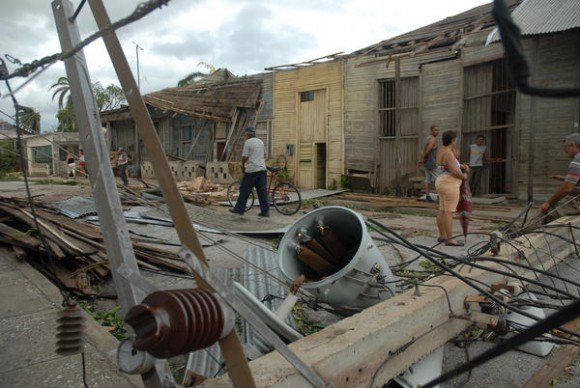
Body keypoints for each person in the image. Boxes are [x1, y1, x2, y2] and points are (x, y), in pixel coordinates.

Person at [435, 130, 468, 246]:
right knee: (449, 211)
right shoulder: (448, 153)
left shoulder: (441, 150)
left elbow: (448, 166)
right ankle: (450, 239)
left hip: (441, 181)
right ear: (453, 140)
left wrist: (460, 166)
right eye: (456, 140)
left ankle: (442, 235)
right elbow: (454, 171)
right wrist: (463, 175)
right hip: (449, 183)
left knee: (442, 209)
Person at [230, 126, 269, 217]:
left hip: (251, 170)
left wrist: (243, 165)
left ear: (248, 134)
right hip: (262, 170)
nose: (245, 136)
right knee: (262, 191)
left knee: (244, 190)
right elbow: (264, 155)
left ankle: (239, 209)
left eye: (245, 134)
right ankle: (265, 212)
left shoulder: (248, 142)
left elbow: (244, 157)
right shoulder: (261, 141)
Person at [540, 133, 580, 219]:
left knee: (547, 215)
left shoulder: (577, 161)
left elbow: (567, 189)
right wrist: (563, 178)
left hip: (578, 202)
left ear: (572, 145)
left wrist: (548, 203)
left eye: (566, 149)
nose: (566, 152)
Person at [419, 125, 440, 202]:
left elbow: (422, 150)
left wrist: (423, 160)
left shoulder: (426, 139)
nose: (436, 132)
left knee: (427, 179)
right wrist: (425, 158)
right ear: (431, 130)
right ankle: (439, 197)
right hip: (431, 162)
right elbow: (429, 149)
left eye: (438, 130)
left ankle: (427, 196)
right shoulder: (432, 139)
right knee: (438, 179)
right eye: (435, 130)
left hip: (426, 163)